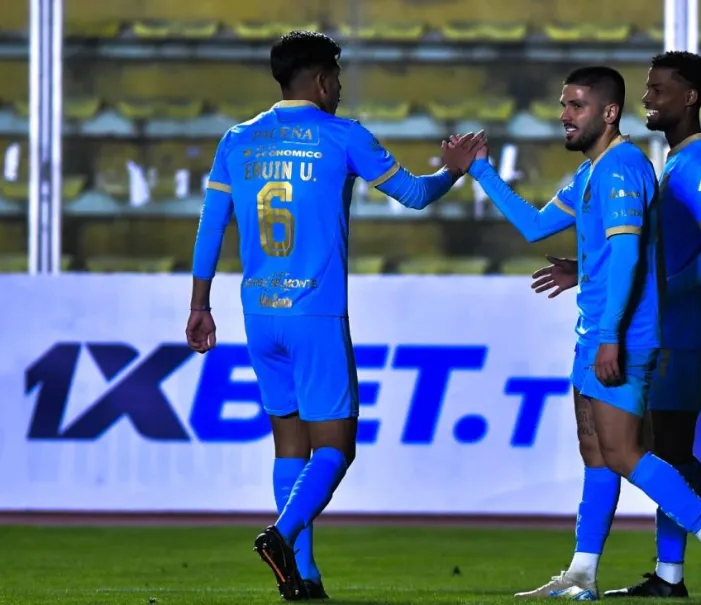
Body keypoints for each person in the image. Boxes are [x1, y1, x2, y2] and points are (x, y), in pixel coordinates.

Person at [448, 65, 701, 602]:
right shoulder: (591, 173)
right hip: (594, 329)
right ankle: (581, 574)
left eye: (576, 106)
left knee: (623, 453)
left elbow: (624, 256)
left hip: (621, 335)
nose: (565, 116)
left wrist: (613, 335)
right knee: (595, 453)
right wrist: (480, 171)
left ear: (608, 112)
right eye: (563, 105)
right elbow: (533, 226)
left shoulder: (622, 167)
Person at [185, 30, 483, 601]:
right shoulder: (343, 135)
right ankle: (281, 536)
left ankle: (304, 576)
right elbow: (417, 196)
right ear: (322, 80)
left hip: (258, 311)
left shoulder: (238, 139)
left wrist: (200, 304)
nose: (340, 88)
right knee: (336, 447)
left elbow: (210, 227)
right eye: (338, 78)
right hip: (314, 312)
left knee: (288, 446)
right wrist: (455, 169)